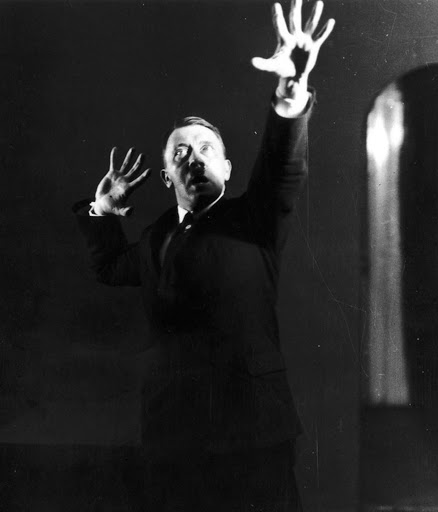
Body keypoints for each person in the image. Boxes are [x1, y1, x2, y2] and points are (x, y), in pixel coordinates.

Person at [74, 1, 334, 510]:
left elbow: (281, 167)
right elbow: (108, 266)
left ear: (229, 169)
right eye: (181, 152)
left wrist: (291, 95)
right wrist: (102, 209)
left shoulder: (254, 216)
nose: (193, 157)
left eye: (206, 148)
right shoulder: (155, 238)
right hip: (173, 436)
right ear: (166, 175)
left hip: (252, 435)